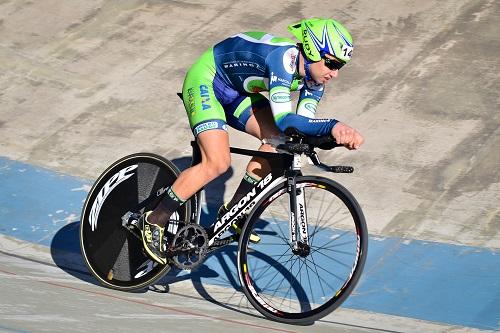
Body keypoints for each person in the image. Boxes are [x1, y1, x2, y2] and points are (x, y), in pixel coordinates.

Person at [141, 18, 365, 264]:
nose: (334, 73)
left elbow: (299, 127)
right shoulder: (283, 60)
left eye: (340, 66)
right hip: (207, 79)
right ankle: (155, 220)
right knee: (217, 162)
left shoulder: (314, 82)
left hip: (238, 91)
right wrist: (333, 126)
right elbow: (282, 118)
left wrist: (331, 139)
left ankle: (235, 210)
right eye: (331, 63)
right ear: (311, 50)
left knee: (282, 143)